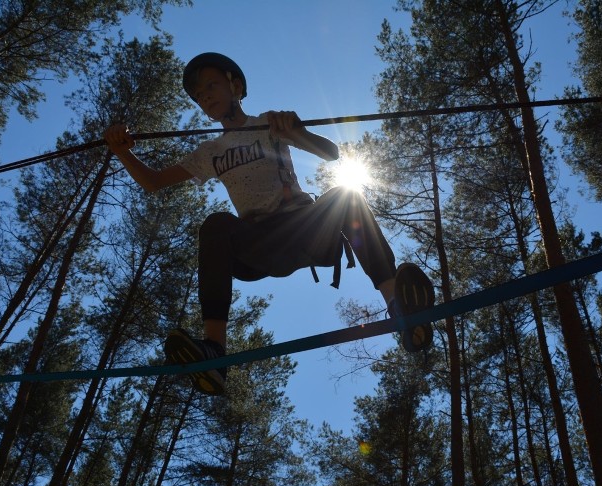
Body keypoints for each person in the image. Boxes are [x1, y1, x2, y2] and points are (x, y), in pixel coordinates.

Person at [104, 52, 434, 396]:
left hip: (307, 230)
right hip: (259, 245)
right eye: (199, 95)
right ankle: (215, 352)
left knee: (344, 195)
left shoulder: (268, 123)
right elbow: (154, 182)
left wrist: (298, 132)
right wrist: (121, 151)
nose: (205, 96)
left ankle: (399, 306)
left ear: (236, 86)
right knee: (216, 224)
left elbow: (331, 154)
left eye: (210, 86)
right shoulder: (209, 152)